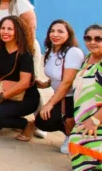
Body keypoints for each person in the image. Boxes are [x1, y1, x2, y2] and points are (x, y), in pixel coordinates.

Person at [0, 16, 40, 140]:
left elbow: (24, 83)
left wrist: (0, 98)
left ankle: (27, 124)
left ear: (17, 32)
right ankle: (12, 120)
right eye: (3, 28)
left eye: (10, 29)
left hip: (25, 98)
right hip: (7, 94)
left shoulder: (25, 53)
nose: (5, 32)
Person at [35, 20, 84, 154]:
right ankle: (71, 131)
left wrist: (49, 104)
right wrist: (44, 84)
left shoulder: (73, 52)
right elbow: (56, 77)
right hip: (62, 96)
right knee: (42, 121)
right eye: (52, 31)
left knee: (47, 117)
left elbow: (67, 82)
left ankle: (73, 135)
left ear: (69, 34)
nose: (55, 34)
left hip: (74, 98)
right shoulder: (52, 51)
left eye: (60, 31)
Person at [68, 24, 102, 169]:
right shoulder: (87, 59)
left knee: (79, 142)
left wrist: (95, 120)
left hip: (97, 119)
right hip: (85, 118)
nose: (92, 42)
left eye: (98, 39)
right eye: (88, 38)